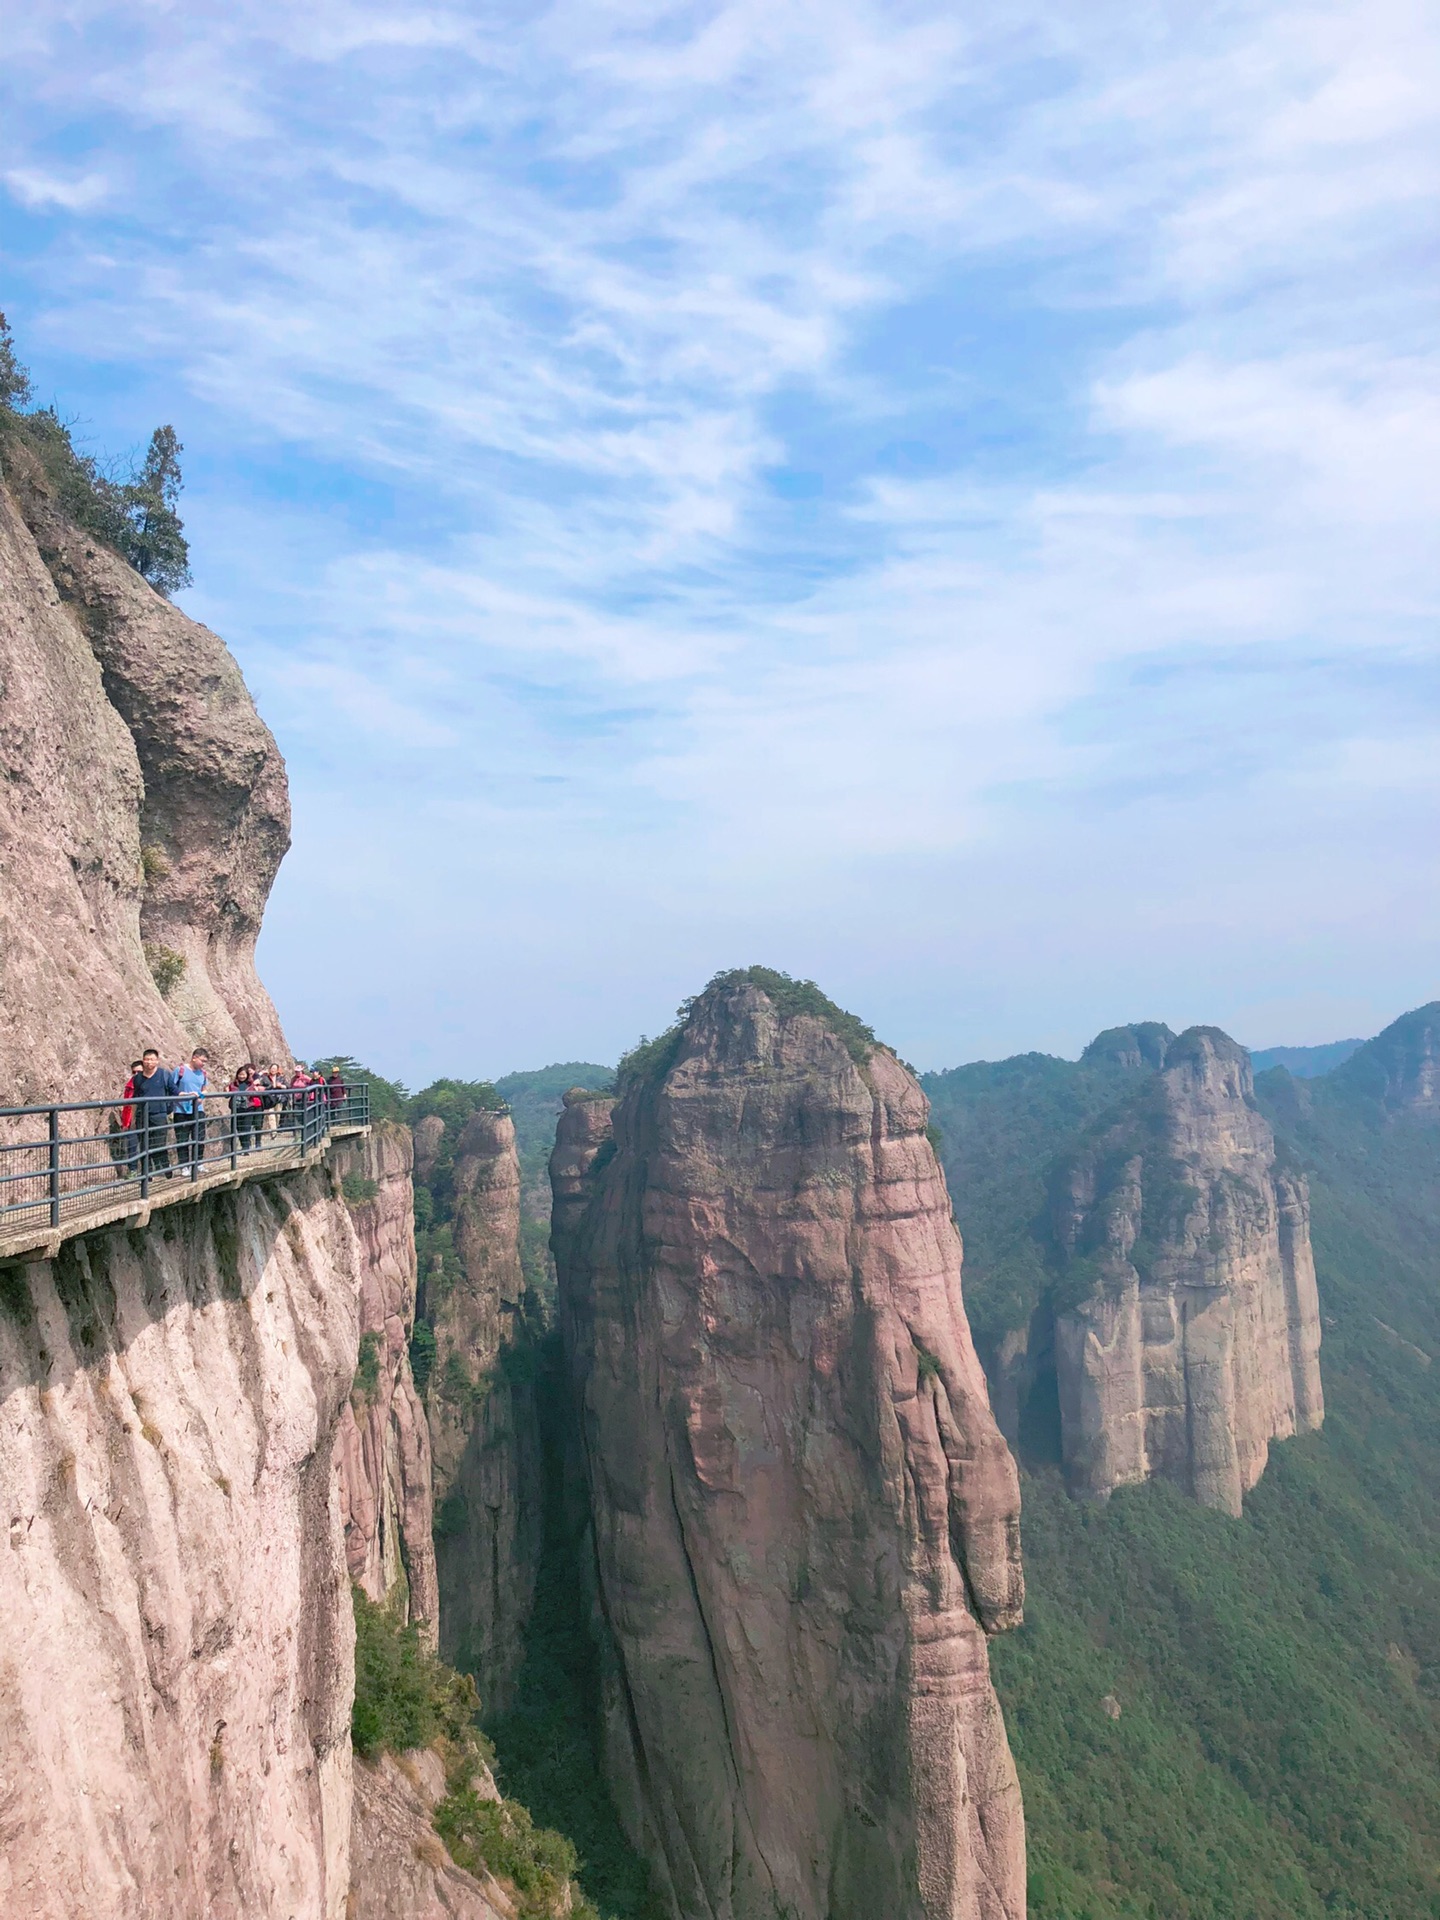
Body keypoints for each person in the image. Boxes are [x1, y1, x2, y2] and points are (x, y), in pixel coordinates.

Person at [130, 1048, 177, 1180]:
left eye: (152, 1059)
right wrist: (133, 1117)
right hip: (142, 1116)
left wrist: (171, 1106)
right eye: (146, 1059)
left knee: (159, 1144)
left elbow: (174, 1091)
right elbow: (135, 1098)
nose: (149, 1062)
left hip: (159, 1115)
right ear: (143, 1060)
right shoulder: (137, 1078)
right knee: (144, 1146)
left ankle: (166, 1168)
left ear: (157, 1061)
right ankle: (147, 1174)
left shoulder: (164, 1075)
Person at [172, 1047, 211, 1172]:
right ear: (194, 1057)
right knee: (182, 1139)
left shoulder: (203, 1073)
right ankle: (184, 1166)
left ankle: (198, 1163)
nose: (203, 1064)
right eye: (202, 1061)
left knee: (199, 1137)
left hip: (198, 1109)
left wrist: (201, 1097)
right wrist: (183, 1094)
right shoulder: (180, 1070)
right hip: (181, 1110)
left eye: (205, 1062)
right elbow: (172, 1088)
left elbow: (204, 1089)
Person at [111, 1058, 144, 1178]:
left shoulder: (147, 1085)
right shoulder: (129, 1086)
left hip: (145, 1119)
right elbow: (127, 1107)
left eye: (139, 1072)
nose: (136, 1075)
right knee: (132, 1146)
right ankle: (133, 1170)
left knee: (148, 1145)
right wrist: (125, 1124)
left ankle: (148, 1171)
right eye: (134, 1072)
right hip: (131, 1121)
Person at [229, 1064, 265, 1152]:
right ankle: (243, 1146)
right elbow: (228, 1093)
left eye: (244, 1074)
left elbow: (254, 1093)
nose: (242, 1076)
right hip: (236, 1108)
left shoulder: (251, 1084)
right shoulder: (233, 1084)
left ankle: (246, 1148)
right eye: (240, 1074)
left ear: (247, 1075)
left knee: (246, 1128)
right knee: (238, 1128)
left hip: (248, 1108)